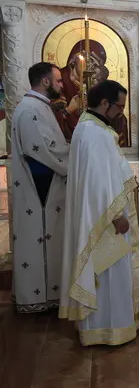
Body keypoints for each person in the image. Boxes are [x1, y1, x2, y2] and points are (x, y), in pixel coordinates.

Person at [58, 80, 139, 345]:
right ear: (104, 103)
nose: (121, 112)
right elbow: (99, 182)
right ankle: (112, 330)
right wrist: (117, 215)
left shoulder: (90, 126)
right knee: (110, 271)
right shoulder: (94, 133)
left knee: (110, 272)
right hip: (105, 218)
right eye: (119, 106)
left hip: (100, 212)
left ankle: (107, 327)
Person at [10, 62, 70, 313]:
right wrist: (71, 158)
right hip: (40, 187)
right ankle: (38, 297)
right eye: (58, 80)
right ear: (45, 81)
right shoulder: (30, 109)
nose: (62, 85)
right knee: (40, 236)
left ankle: (49, 294)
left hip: (46, 183)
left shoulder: (39, 106)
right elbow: (41, 150)